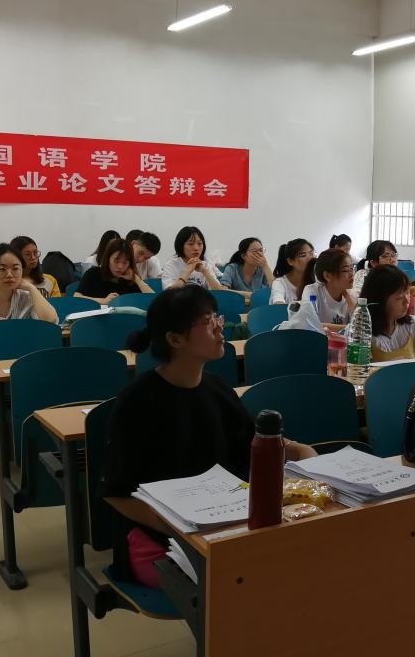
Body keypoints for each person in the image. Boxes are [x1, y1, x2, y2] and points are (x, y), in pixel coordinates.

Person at [100, 287, 317, 585]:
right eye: (206, 321)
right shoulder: (137, 401)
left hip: (222, 525)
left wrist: (298, 449)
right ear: (175, 339)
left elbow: (251, 440)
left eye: (217, 317)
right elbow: (116, 493)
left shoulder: (217, 389)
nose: (219, 326)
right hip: (162, 540)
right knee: (255, 580)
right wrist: (183, 529)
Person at [359, 265, 415, 361]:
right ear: (379, 300)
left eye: (407, 292)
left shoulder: (412, 324)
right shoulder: (361, 332)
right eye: (399, 297)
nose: (407, 301)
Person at [76, 239, 154, 305]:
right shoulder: (93, 273)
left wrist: (137, 280)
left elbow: (153, 301)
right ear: (108, 259)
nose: (120, 266)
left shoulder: (131, 280)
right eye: (116, 261)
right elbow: (77, 297)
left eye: (125, 262)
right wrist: (102, 301)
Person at [302, 249, 355, 329]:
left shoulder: (351, 294)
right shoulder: (312, 291)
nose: (351, 274)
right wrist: (348, 328)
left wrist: (348, 297)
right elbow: (310, 324)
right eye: (345, 270)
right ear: (327, 276)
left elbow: (359, 326)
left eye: (351, 268)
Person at [160, 227, 226, 290]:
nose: (196, 248)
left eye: (200, 244)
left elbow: (220, 293)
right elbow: (169, 293)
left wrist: (205, 271)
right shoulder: (171, 265)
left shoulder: (206, 265)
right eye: (191, 244)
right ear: (181, 245)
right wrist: (187, 272)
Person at [269, 239, 316, 304]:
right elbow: (278, 305)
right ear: (290, 261)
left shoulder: (316, 280)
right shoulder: (280, 283)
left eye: (311, 253)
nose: (310, 258)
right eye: (303, 255)